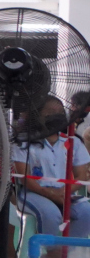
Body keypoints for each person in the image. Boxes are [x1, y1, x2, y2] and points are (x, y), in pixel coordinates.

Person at [13, 94, 90, 248]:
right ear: (37, 116)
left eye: (60, 112)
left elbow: (82, 176)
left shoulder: (73, 142)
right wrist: (51, 195)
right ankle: (50, 252)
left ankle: (61, 253)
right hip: (33, 193)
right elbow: (25, 178)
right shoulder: (23, 143)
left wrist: (63, 191)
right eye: (50, 112)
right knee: (50, 213)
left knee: (87, 212)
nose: (57, 116)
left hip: (64, 192)